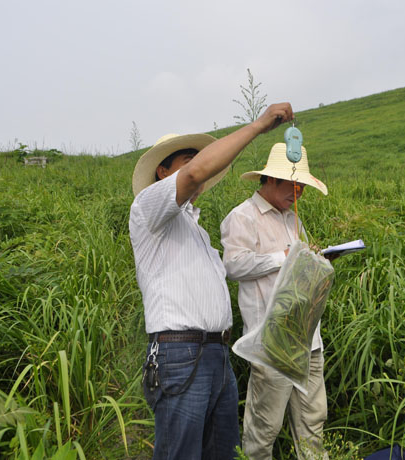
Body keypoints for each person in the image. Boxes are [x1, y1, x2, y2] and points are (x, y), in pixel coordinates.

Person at [128, 102, 294, 460]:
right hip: (180, 353)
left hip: (215, 354)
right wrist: (259, 125)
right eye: (186, 159)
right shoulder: (148, 207)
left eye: (196, 158)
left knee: (222, 453)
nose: (195, 166)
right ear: (162, 171)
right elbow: (193, 176)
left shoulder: (194, 229)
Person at [220, 142, 330, 460]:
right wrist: (282, 257)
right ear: (269, 180)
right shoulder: (243, 217)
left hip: (308, 338)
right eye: (292, 184)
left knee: (313, 422)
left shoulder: (292, 219)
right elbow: (234, 265)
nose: (298, 192)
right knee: (264, 429)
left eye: (302, 187)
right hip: (273, 343)